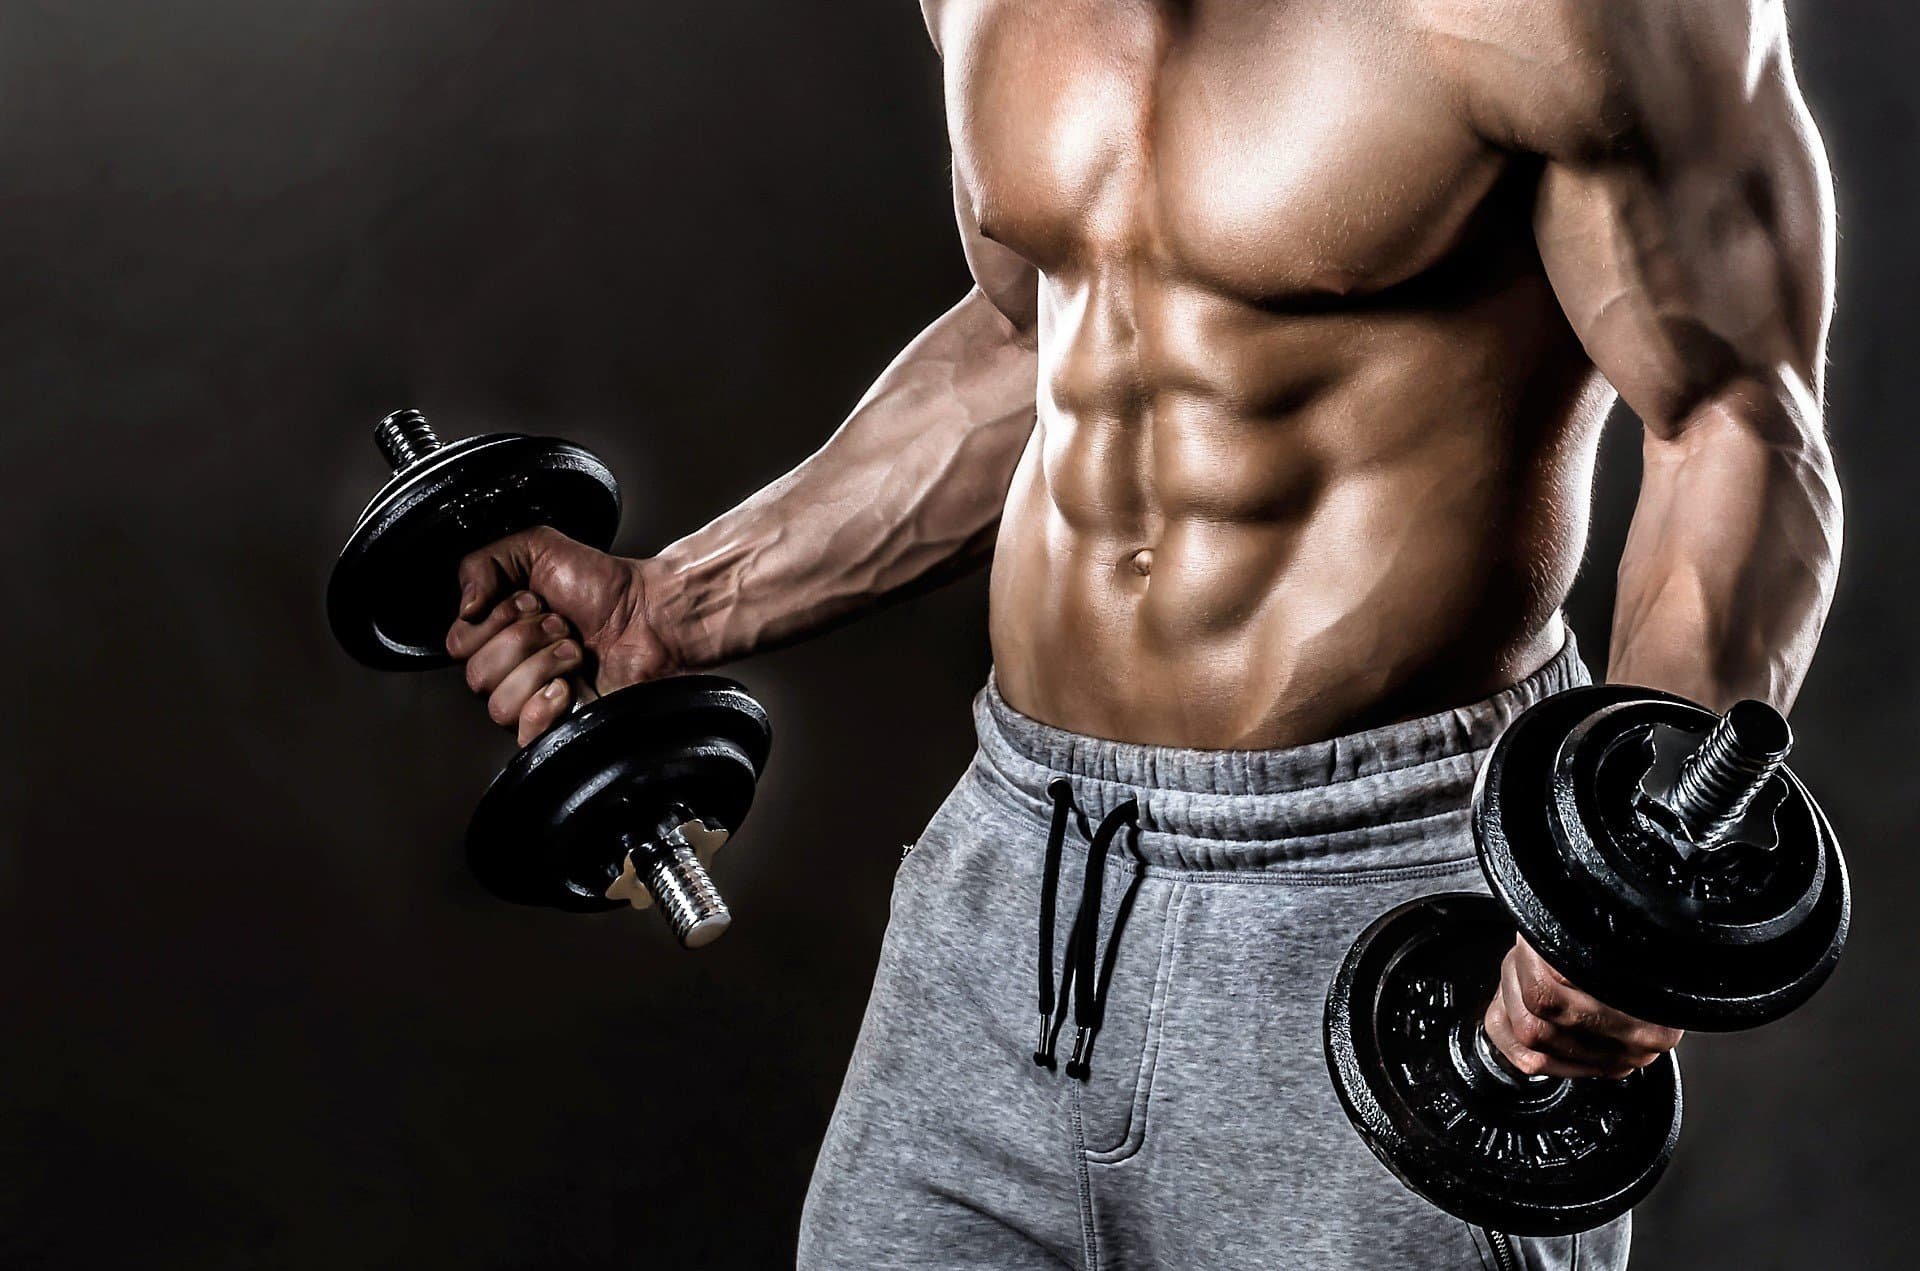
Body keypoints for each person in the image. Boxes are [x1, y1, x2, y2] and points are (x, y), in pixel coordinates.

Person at [442, 1, 1839, 1266]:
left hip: (1384, 902)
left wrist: (1632, 892)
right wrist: (679, 603)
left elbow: (1733, 418)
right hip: (1011, 882)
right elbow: (1043, 341)